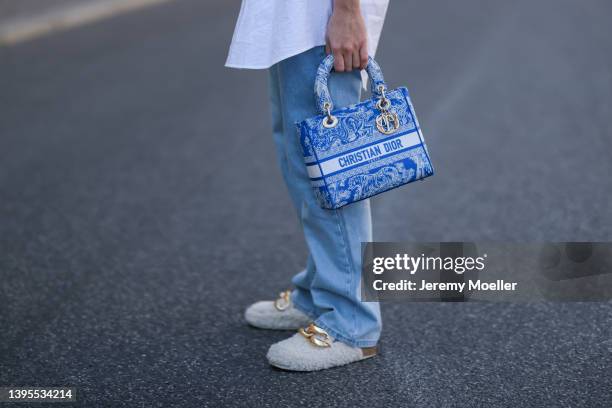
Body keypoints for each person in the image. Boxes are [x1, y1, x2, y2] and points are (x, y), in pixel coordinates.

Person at [226, 0, 389, 371]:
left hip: (319, 17)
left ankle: (351, 322)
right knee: (301, 161)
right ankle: (318, 294)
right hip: (296, 19)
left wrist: (347, 12)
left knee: (330, 174)